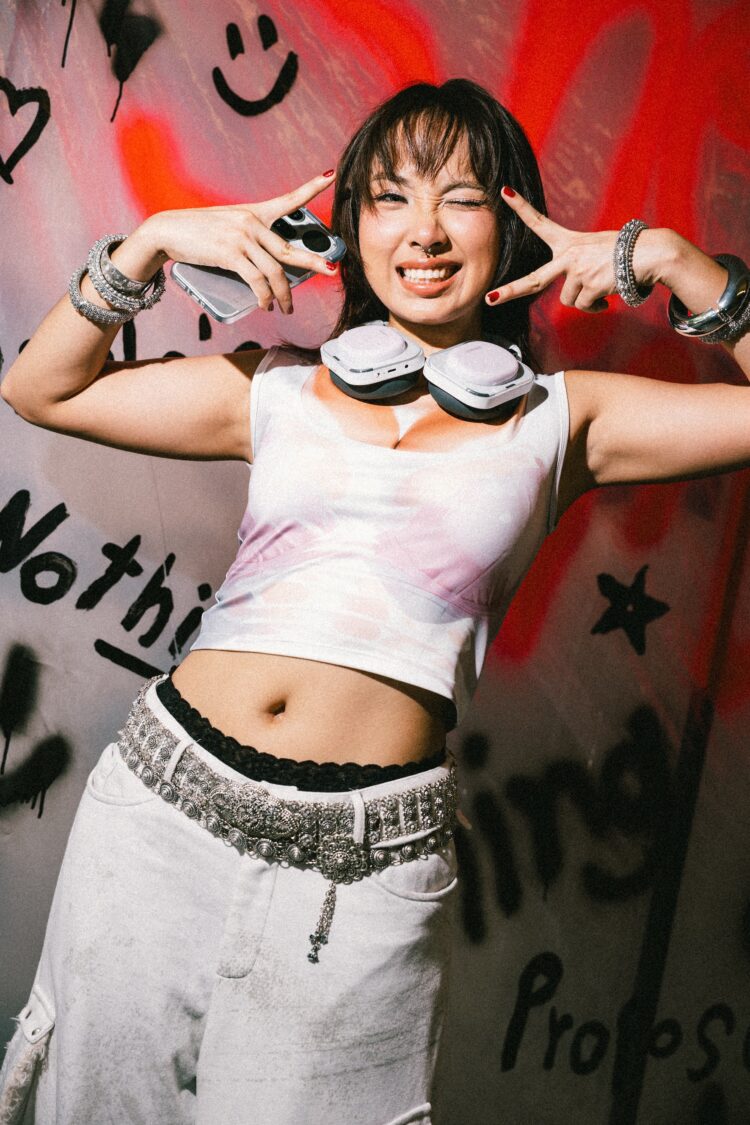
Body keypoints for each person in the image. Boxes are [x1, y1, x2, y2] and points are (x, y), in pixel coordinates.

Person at [0, 77, 748, 1125]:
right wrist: (155, 242)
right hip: (161, 814)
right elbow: (41, 388)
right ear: (351, 228)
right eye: (391, 197)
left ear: (513, 225)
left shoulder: (565, 420)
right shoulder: (274, 387)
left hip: (366, 865)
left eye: (463, 197)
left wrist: (671, 259)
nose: (424, 230)